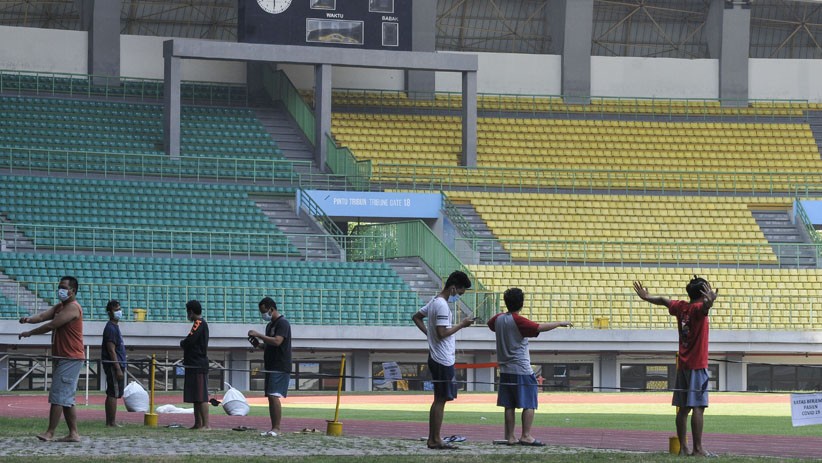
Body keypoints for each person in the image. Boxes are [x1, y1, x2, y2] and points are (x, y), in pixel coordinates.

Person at [633, 276, 718, 457]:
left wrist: (646, 297)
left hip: (684, 366)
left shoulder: (681, 307)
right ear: (703, 292)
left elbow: (664, 300)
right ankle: (697, 449)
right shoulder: (697, 309)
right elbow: (704, 309)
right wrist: (709, 304)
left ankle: (683, 449)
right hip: (697, 366)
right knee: (698, 407)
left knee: (682, 408)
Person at [487, 287, 572, 446]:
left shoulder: (498, 319)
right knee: (529, 403)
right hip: (521, 369)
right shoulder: (518, 321)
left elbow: (490, 324)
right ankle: (526, 435)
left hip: (505, 370)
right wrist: (559, 323)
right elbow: (538, 327)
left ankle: (510, 436)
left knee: (509, 405)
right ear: (521, 304)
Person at [411, 270, 475, 450]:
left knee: (439, 398)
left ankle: (433, 438)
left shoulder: (434, 302)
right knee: (441, 399)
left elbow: (416, 317)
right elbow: (442, 333)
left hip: (437, 356)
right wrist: (462, 324)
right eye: (459, 293)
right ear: (453, 288)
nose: (459, 297)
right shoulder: (441, 306)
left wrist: (428, 334)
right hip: (442, 358)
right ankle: (435, 439)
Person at [18, 276, 84, 442]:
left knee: (58, 396)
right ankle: (73, 433)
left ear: (73, 291)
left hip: (70, 358)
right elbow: (42, 317)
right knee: (66, 398)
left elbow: (51, 325)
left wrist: (30, 333)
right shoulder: (60, 306)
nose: (60, 290)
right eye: (59, 286)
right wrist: (28, 320)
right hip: (63, 357)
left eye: (63, 287)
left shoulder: (72, 308)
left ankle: (50, 432)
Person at [248, 297, 292, 437]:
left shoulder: (283, 323)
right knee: (270, 397)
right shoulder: (269, 326)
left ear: (271, 309)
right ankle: (273, 428)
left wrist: (258, 335)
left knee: (274, 395)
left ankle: (277, 428)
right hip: (270, 364)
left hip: (280, 365)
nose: (263, 315)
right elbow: (268, 345)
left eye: (264, 311)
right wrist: (257, 344)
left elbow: (278, 341)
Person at [180, 299, 210, 430]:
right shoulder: (198, 324)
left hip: (198, 364)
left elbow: (190, 340)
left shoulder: (199, 323)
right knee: (195, 397)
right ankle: (198, 423)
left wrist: (183, 343)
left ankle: (206, 424)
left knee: (201, 396)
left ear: (191, 312)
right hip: (193, 364)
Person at [101, 299, 126, 427]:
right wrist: (117, 368)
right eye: (116, 310)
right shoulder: (111, 328)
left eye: (119, 309)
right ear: (110, 312)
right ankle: (111, 422)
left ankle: (110, 421)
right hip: (113, 365)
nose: (119, 312)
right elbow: (111, 350)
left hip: (117, 363)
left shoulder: (115, 327)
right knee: (113, 393)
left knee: (113, 392)